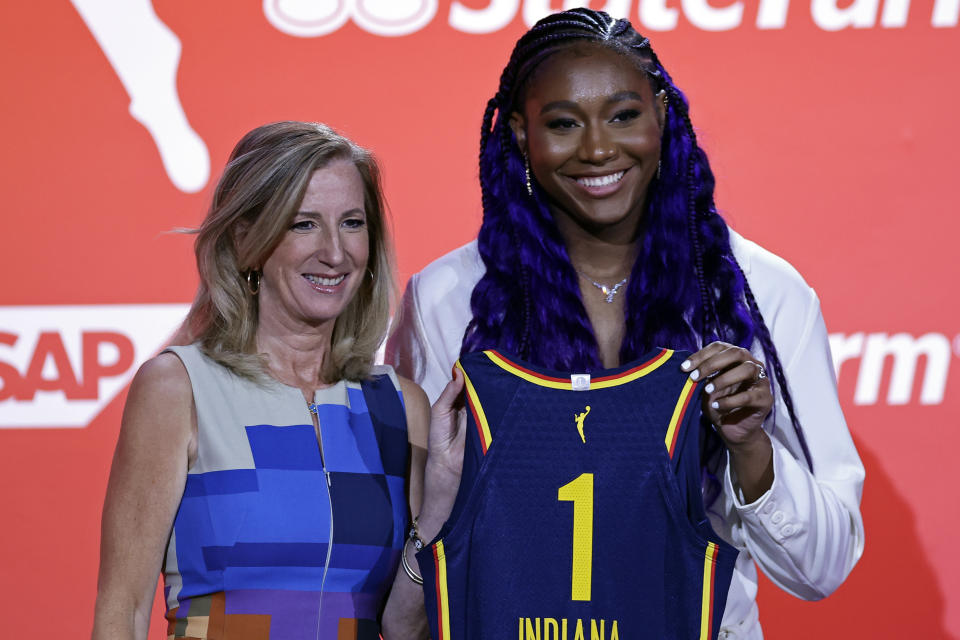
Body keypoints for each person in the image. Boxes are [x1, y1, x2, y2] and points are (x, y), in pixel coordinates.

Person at [387, 9, 865, 639]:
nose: (597, 149)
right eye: (562, 124)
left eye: (623, 115)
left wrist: (751, 448)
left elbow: (821, 568)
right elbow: (411, 539)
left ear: (662, 115)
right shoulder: (446, 299)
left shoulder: (760, 295)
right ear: (517, 134)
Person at [91, 121, 461, 640]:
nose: (335, 252)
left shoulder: (401, 406)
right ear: (247, 240)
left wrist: (441, 500)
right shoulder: (180, 389)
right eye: (303, 224)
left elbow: (404, 627)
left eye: (352, 223)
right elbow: (122, 611)